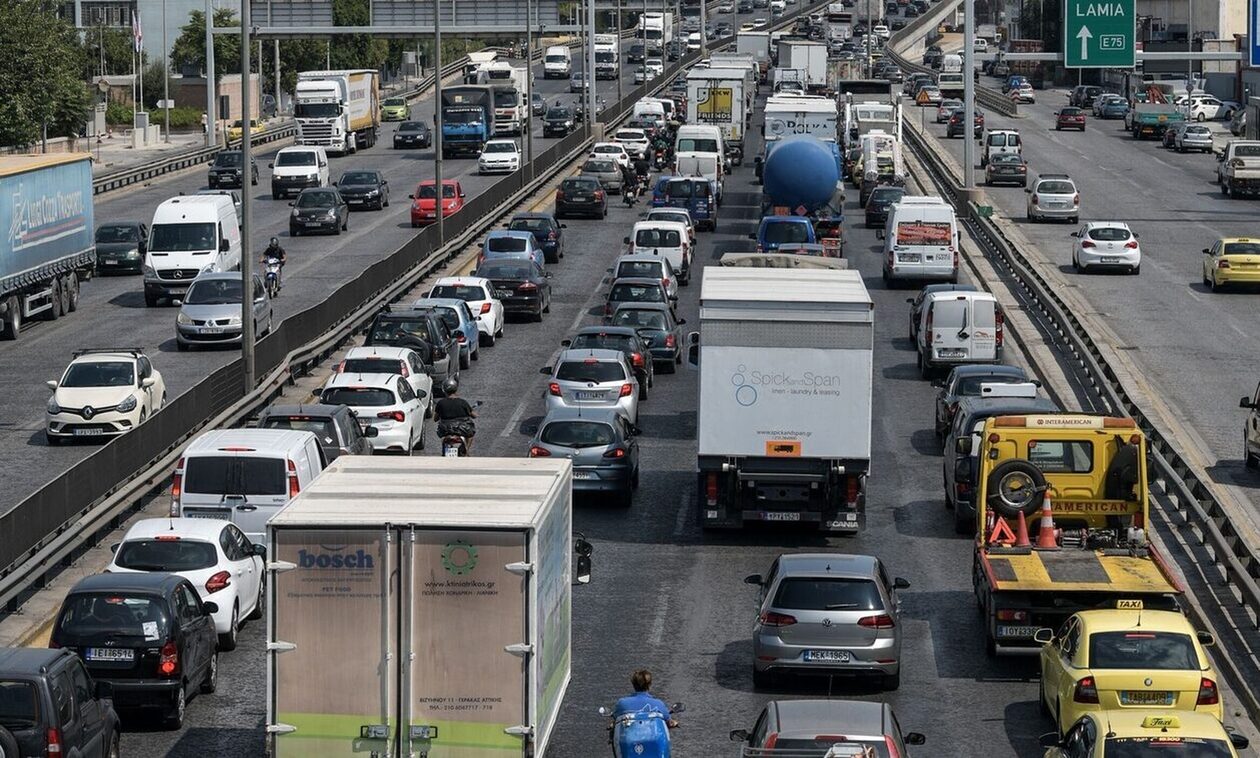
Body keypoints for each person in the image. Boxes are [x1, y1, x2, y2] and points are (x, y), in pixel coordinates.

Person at [612, 670, 677, 727]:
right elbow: (668, 720)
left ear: (633, 684)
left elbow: (615, 717)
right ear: (649, 684)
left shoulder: (622, 703)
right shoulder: (659, 704)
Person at [433, 380, 477, 451]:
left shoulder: (440, 403)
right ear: (456, 389)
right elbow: (474, 416)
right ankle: (466, 451)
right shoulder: (463, 402)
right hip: (462, 429)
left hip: (445, 429)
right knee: (470, 435)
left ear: (444, 390)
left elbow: (435, 419)